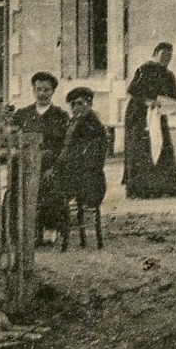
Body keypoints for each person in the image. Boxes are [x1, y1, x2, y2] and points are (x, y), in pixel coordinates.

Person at [13, 71, 70, 241]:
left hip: (49, 166)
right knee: (16, 189)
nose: (42, 93)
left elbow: (64, 146)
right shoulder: (22, 114)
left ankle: (50, 227)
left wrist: (54, 167)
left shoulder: (60, 115)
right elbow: (14, 139)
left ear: (52, 92)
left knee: (50, 188)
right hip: (26, 165)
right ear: (33, 90)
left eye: (46, 90)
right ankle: (18, 228)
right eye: (39, 89)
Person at [123, 43, 176, 198]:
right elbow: (131, 91)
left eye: (169, 56)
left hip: (157, 114)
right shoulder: (145, 69)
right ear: (155, 54)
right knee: (141, 149)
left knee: (164, 146)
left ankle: (167, 188)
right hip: (138, 115)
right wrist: (148, 101)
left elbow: (174, 98)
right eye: (163, 55)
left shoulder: (169, 75)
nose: (166, 58)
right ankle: (139, 189)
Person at [61, 86, 109, 243]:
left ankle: (50, 234)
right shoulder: (75, 122)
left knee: (50, 191)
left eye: (80, 104)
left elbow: (89, 158)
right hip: (78, 176)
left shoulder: (93, 126)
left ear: (90, 103)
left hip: (89, 180)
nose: (75, 108)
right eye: (73, 105)